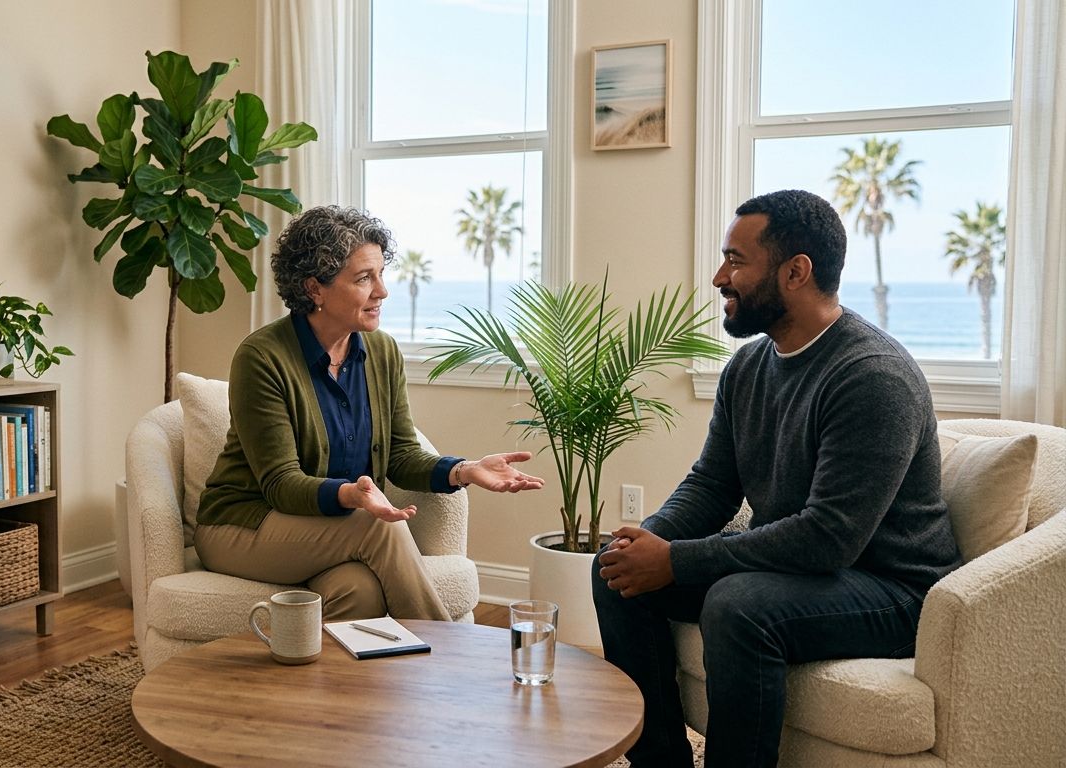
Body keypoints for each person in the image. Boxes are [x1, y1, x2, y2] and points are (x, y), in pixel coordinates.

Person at [592, 189, 962, 768]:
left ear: (796, 272)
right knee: (614, 567)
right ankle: (660, 761)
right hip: (803, 568)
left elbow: (829, 537)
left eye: (736, 260)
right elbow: (713, 484)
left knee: (739, 604)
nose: (719, 277)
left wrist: (678, 560)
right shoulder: (748, 366)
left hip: (890, 588)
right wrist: (648, 543)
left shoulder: (872, 377)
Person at [195, 205, 544, 621]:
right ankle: (448, 664)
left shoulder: (380, 352)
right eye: (364, 278)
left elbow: (400, 456)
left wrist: (464, 470)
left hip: (324, 529)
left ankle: (334, 687)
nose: (382, 291)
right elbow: (280, 484)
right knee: (378, 525)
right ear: (315, 289)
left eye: (380, 274)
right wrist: (351, 496)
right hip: (243, 525)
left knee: (357, 593)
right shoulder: (262, 357)